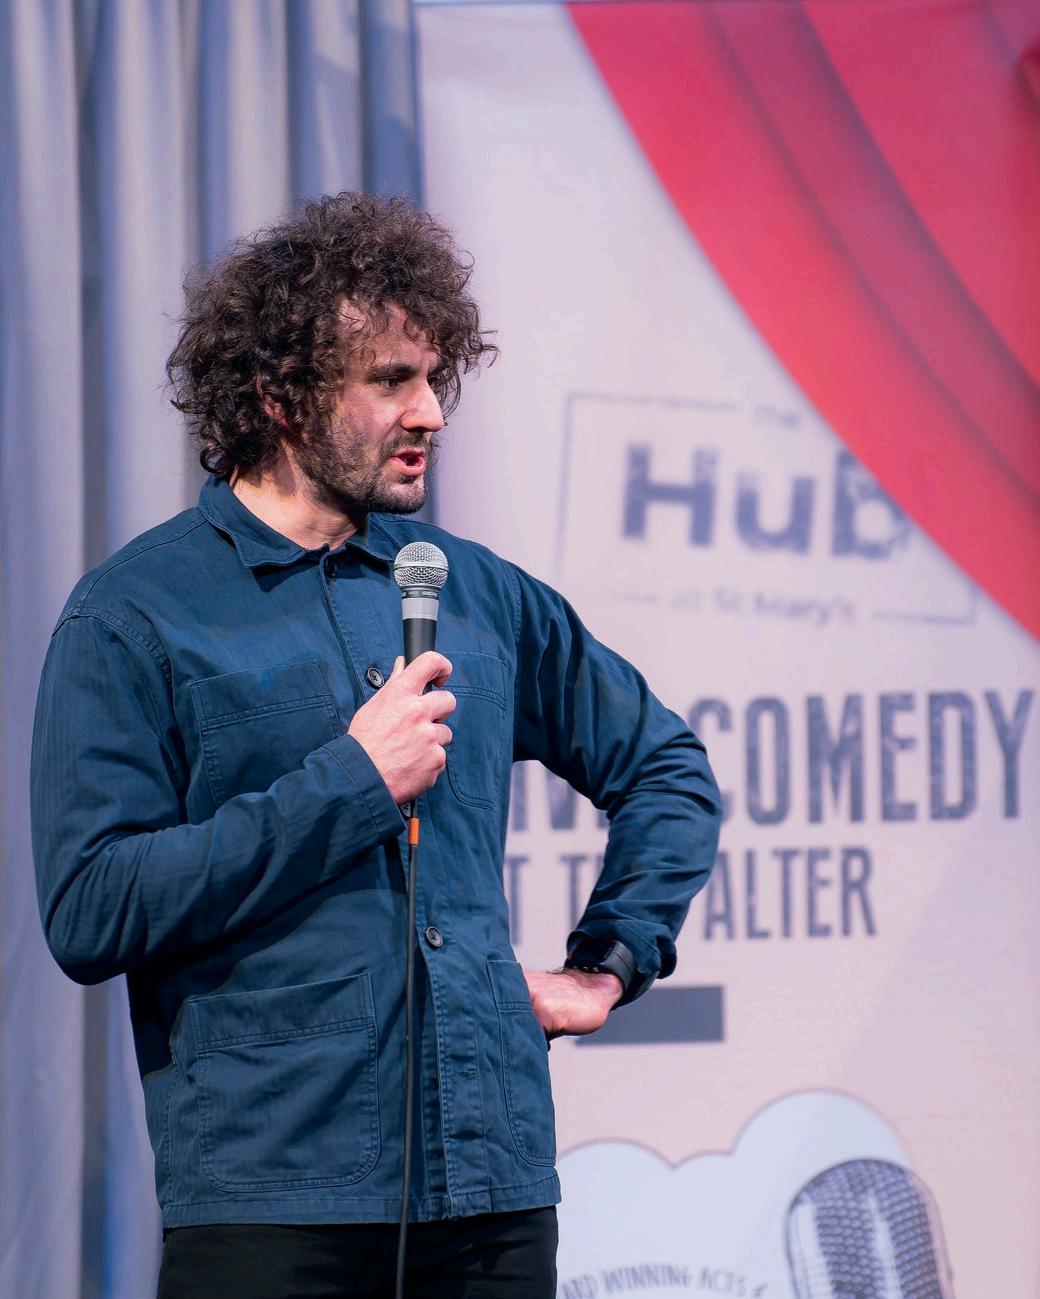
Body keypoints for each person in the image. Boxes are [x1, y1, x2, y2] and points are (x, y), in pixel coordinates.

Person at [31, 193, 720, 1298]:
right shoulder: (137, 615)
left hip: (490, 1194)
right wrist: (350, 782)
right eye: (392, 379)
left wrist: (610, 960)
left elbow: (665, 769)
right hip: (273, 1203)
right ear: (282, 398)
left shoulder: (476, 593)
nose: (432, 411)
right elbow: (91, 906)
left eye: (436, 377)